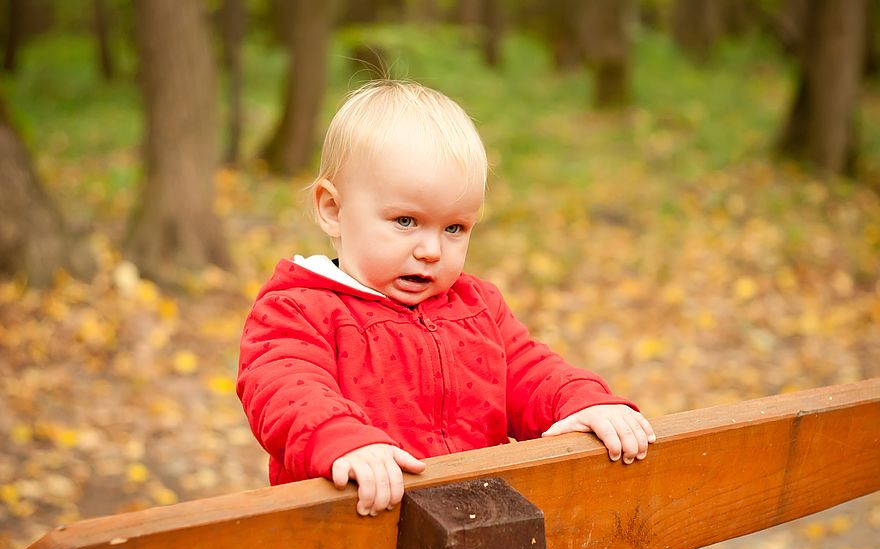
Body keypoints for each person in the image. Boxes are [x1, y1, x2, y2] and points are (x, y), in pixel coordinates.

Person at [237, 79, 655, 517]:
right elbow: (285, 387)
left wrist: (581, 400)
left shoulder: (475, 307)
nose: (432, 250)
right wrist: (342, 439)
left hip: (478, 527)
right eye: (405, 221)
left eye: (454, 228)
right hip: (357, 535)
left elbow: (529, 370)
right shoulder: (300, 307)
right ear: (332, 209)